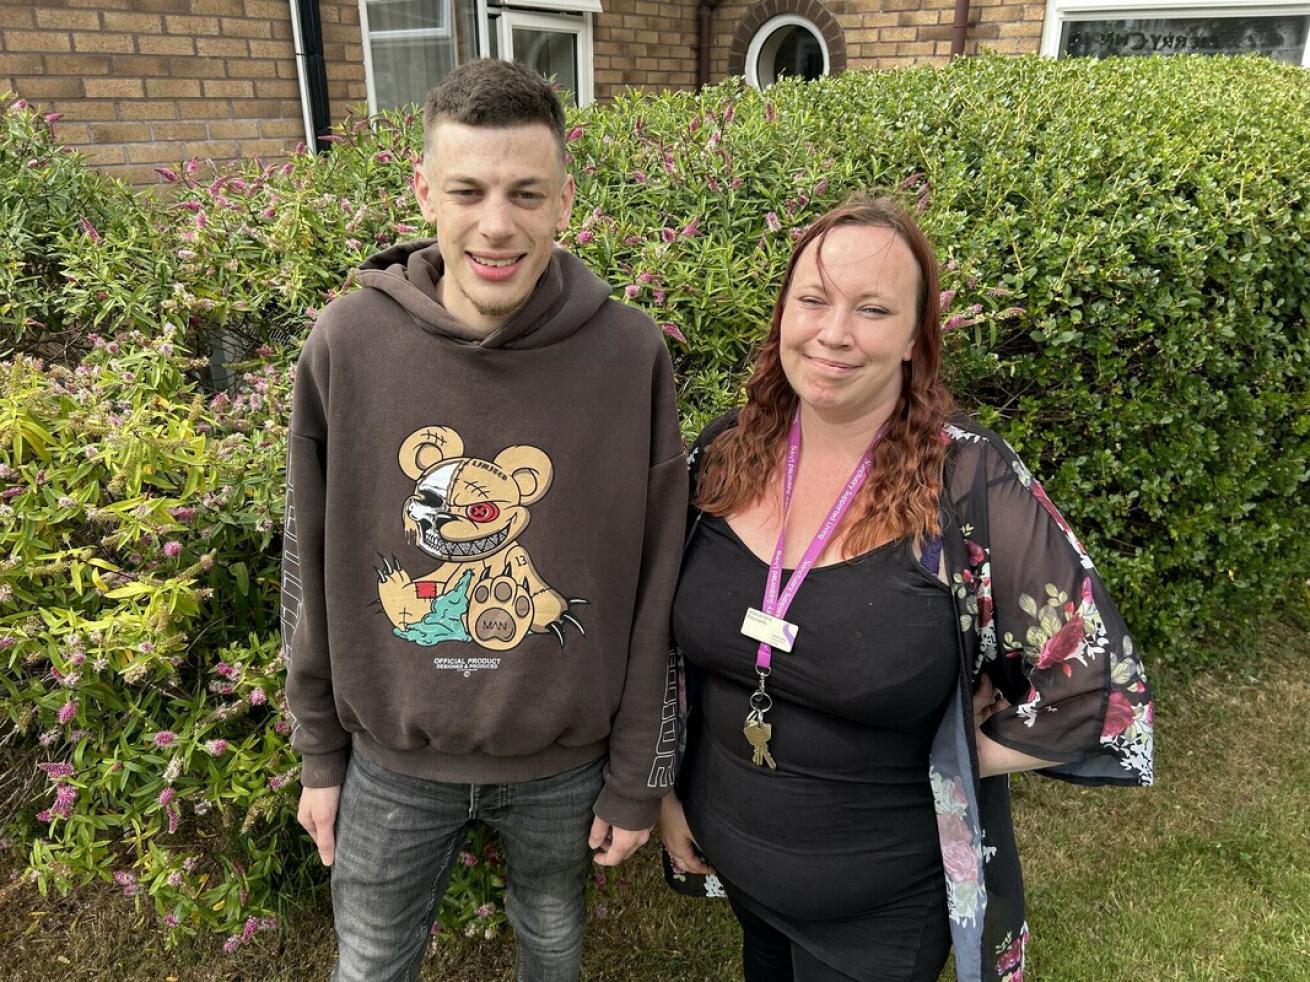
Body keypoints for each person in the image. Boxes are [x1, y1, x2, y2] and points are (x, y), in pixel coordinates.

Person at [659, 194, 1153, 982]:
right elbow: (671, 647)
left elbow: (1105, 690)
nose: (833, 333)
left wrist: (957, 760)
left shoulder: (967, 481)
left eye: (873, 309)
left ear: (915, 341)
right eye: (812, 300)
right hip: (738, 865)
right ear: (782, 313)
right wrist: (669, 789)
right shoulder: (728, 450)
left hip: (883, 910)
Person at [281, 59, 687, 982]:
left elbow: (657, 577)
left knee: (553, 942)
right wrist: (318, 752)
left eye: (525, 192)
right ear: (424, 190)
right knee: (372, 960)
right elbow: (306, 560)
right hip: (390, 763)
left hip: (564, 766)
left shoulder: (628, 355)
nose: (496, 223)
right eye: (466, 189)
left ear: (564, 201)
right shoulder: (348, 342)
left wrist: (637, 773)